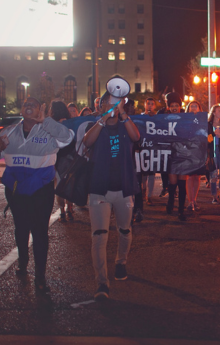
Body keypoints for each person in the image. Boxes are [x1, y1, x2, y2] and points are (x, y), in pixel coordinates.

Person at [0, 97, 74, 293]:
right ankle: (23, 263)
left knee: (40, 232)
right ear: (21, 108)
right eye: (26, 103)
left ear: (40, 110)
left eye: (33, 104)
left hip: (41, 190)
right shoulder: (9, 131)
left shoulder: (49, 130)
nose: (28, 106)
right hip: (16, 190)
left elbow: (67, 138)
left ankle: (40, 276)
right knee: (20, 228)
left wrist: (46, 120)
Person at [83, 91, 140, 300]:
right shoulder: (96, 125)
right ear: (101, 105)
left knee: (125, 230)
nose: (114, 106)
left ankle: (121, 262)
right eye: (109, 103)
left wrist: (123, 115)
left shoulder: (126, 124)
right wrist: (103, 118)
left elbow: (136, 137)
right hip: (99, 190)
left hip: (124, 189)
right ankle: (101, 283)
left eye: (118, 103)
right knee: (99, 235)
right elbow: (87, 142)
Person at [159, 92, 188, 221]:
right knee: (173, 183)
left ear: (180, 106)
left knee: (182, 184)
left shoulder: (186, 118)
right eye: (172, 105)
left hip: (183, 154)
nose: (175, 107)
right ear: (169, 107)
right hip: (170, 154)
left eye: (177, 105)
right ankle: (170, 203)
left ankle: (181, 210)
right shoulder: (164, 118)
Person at [50, 101, 75, 222]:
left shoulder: (52, 124)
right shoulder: (70, 122)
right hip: (70, 156)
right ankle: (69, 207)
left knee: (59, 185)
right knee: (70, 183)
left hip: (57, 157)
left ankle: (62, 211)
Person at [185, 100, 204, 212]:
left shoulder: (203, 120)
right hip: (188, 150)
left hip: (199, 151)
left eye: (195, 106)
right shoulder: (185, 120)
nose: (193, 108)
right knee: (189, 177)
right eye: (191, 106)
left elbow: (207, 134)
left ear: (199, 109)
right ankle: (189, 201)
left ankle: (194, 200)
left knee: (197, 177)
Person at [141, 98, 157, 206]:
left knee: (151, 173)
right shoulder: (140, 117)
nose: (150, 106)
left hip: (153, 149)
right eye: (148, 104)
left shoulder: (157, 118)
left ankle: (149, 196)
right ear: (145, 105)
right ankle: (143, 193)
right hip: (143, 148)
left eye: (152, 104)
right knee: (143, 174)